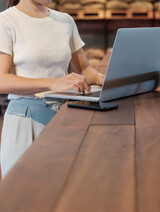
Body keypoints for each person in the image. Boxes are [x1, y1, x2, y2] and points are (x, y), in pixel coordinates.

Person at [0, 0, 104, 179]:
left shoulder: (65, 21)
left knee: (61, 193)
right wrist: (51, 83)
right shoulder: (6, 20)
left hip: (65, 117)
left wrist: (106, 79)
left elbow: (84, 68)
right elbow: (1, 80)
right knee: (22, 195)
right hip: (25, 120)